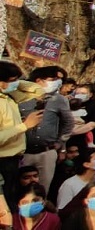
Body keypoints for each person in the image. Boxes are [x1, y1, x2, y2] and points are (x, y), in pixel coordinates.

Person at [1, 61, 44, 208]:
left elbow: (38, 91)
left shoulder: (8, 96)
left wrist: (16, 83)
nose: (16, 84)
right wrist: (24, 126)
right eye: (12, 80)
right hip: (3, 161)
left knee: (12, 200)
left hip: (13, 160)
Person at [23, 66, 74, 190]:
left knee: (43, 188)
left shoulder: (59, 100)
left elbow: (67, 123)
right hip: (23, 153)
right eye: (53, 79)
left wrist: (61, 144)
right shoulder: (20, 98)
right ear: (38, 80)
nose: (58, 82)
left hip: (46, 152)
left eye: (60, 79)